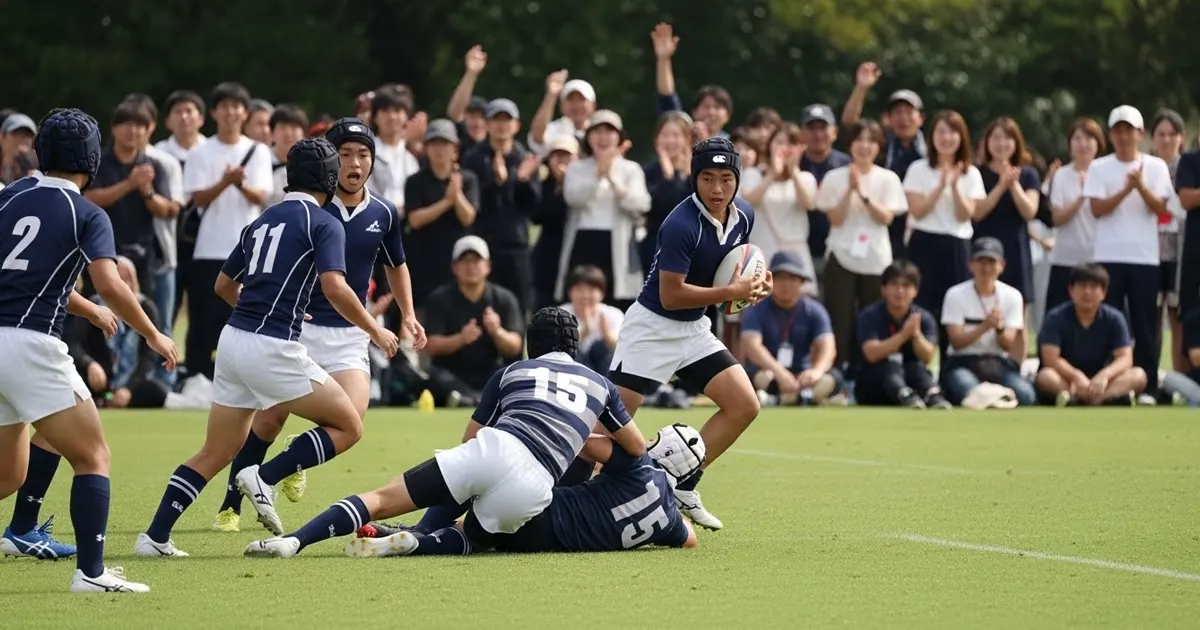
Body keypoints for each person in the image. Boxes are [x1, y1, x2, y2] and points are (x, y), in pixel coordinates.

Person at [134, 137, 400, 558]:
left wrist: (263, 306)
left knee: (216, 451)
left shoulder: (261, 220)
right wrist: (376, 330)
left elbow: (223, 285)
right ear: (330, 178)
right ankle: (265, 475)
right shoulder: (324, 222)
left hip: (233, 341)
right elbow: (335, 288)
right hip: (272, 346)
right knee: (349, 427)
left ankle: (155, 536)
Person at [242, 307, 646, 558]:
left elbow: (471, 438)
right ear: (574, 347)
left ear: (531, 344)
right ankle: (417, 542)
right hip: (536, 484)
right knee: (470, 538)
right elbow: (636, 447)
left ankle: (294, 542)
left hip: (497, 447)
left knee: (381, 499)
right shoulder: (599, 385)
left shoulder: (512, 372)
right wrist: (578, 438)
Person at [210, 119, 426, 533]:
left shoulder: (383, 212)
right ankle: (230, 506)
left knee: (351, 419)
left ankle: (286, 464)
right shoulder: (312, 210)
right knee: (268, 421)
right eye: (345, 154)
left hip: (349, 337)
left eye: (363, 155)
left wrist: (409, 314)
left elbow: (397, 265)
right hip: (298, 331)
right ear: (330, 162)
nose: (354, 163)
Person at [0, 108, 178, 592]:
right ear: (93, 159)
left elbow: (26, 277)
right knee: (94, 455)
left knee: (8, 475)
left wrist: (90, 310)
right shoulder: (88, 212)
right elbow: (112, 282)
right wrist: (154, 333)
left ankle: (38, 540)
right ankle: (92, 574)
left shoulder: (9, 196)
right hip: (32, 344)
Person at [608, 137, 772, 531]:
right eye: (708, 178)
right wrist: (730, 292)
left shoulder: (744, 216)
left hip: (695, 329)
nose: (717, 189)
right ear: (694, 179)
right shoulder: (680, 224)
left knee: (744, 405)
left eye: (726, 179)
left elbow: (736, 268)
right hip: (651, 329)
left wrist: (755, 286)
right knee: (607, 434)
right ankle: (576, 501)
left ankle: (682, 483)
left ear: (738, 180)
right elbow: (672, 295)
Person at [349, 425, 702, 557]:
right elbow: (690, 540)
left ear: (663, 448)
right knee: (471, 535)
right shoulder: (670, 519)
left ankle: (420, 531)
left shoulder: (639, 465)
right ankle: (412, 541)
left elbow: (584, 443)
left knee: (476, 481)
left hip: (544, 507)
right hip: (547, 542)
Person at [1084, 105, 1172, 402]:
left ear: (1140, 134)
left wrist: (1140, 186)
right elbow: (1097, 209)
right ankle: (1109, 385)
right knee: (1109, 322)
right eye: (1118, 130)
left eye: (1129, 130)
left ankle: (1147, 385)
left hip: (1144, 257)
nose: (1124, 136)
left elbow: (1160, 208)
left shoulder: (1155, 167)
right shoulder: (1100, 167)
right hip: (1108, 256)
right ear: (1111, 135)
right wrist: (1125, 190)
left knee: (1145, 324)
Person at [816, 119, 907, 371]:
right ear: (850, 144)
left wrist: (863, 194)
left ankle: (867, 372)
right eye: (859, 140)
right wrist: (849, 190)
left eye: (871, 141)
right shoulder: (834, 177)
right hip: (840, 255)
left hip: (876, 258)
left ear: (879, 147)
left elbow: (886, 217)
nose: (865, 146)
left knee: (871, 317)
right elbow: (835, 219)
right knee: (839, 318)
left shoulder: (888, 179)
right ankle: (838, 372)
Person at [903, 111, 987, 356]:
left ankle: (951, 363)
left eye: (952, 132)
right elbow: (918, 211)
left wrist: (955, 186)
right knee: (921, 304)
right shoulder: (918, 169)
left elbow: (966, 214)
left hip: (957, 244)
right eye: (941, 131)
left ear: (961, 137)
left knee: (955, 304)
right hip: (924, 242)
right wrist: (941, 185)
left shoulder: (971, 173)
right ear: (932, 136)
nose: (946, 138)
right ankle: (919, 360)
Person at [939, 238, 1036, 406]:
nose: (986, 268)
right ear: (971, 265)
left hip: (997, 362)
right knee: (967, 390)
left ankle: (994, 398)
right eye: (981, 262)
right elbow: (956, 342)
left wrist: (999, 329)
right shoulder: (955, 294)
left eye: (991, 262)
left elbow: (1007, 344)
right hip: (963, 361)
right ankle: (997, 398)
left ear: (1001, 265)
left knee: (1026, 395)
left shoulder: (1012, 296)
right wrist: (984, 327)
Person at [1035, 263, 1147, 406]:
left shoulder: (1115, 318)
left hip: (1103, 381)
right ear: (1071, 290)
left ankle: (1090, 399)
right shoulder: (1055, 317)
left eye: (1093, 287)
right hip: (1068, 378)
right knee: (1045, 376)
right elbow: (1051, 358)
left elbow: (1125, 358)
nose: (1087, 292)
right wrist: (1076, 376)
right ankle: (1098, 399)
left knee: (1138, 375)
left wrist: (1104, 375)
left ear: (1104, 292)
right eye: (1082, 286)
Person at [740, 251, 841, 406]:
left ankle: (781, 400)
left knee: (832, 378)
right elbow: (752, 346)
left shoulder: (814, 310)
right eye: (780, 278)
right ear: (770, 280)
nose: (786, 284)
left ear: (801, 281)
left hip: (804, 375)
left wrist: (816, 371)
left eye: (792, 278)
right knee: (755, 377)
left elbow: (828, 347)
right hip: (770, 373)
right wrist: (780, 373)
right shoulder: (756, 310)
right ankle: (806, 398)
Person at [854, 260, 949, 408]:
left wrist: (916, 334)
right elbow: (871, 353)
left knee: (916, 369)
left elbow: (927, 357)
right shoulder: (869, 316)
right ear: (883, 289)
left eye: (906, 286)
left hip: (910, 376)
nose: (900, 291)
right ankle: (905, 395)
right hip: (875, 383)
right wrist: (903, 335)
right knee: (890, 367)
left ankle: (933, 395)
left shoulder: (923, 318)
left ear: (915, 291)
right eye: (894, 285)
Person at [1045, 119, 1104, 312]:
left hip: (1098, 258)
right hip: (1065, 258)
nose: (1083, 144)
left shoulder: (1105, 172)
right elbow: (1057, 219)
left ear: (1098, 144)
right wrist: (1082, 196)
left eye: (1089, 138)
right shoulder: (1061, 175)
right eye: (1077, 138)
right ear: (1070, 144)